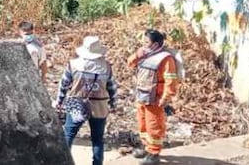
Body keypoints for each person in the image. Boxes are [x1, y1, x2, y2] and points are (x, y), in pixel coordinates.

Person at [54, 36, 117, 165]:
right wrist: (113, 103)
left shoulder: (73, 64)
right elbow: (112, 87)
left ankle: (64, 162)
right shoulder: (106, 67)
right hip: (99, 105)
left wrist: (59, 100)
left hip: (77, 103)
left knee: (69, 134)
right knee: (98, 139)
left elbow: (64, 84)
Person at [129, 29, 181, 164]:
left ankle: (154, 153)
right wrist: (137, 54)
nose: (143, 44)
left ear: (156, 45)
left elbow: (171, 80)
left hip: (155, 98)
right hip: (142, 95)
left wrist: (166, 97)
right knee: (142, 123)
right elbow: (130, 63)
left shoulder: (166, 59)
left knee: (154, 125)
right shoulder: (145, 54)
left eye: (146, 42)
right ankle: (146, 147)